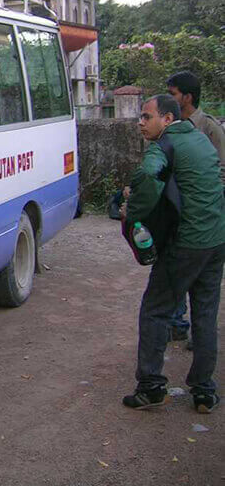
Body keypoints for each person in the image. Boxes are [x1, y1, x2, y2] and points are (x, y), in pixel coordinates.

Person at [122, 94, 225, 413]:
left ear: (167, 119)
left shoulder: (164, 146)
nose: (141, 122)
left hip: (186, 244)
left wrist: (132, 213)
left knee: (155, 309)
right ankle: (204, 390)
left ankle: (151, 386)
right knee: (205, 314)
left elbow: (149, 177)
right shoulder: (201, 139)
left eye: (146, 116)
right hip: (216, 241)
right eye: (140, 117)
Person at [165, 71, 225, 348]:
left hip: (203, 217)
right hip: (176, 214)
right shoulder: (171, 128)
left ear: (187, 97)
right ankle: (177, 324)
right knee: (175, 273)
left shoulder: (210, 128)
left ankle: (200, 336)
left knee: (199, 279)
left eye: (174, 94)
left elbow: (221, 173)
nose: (170, 99)